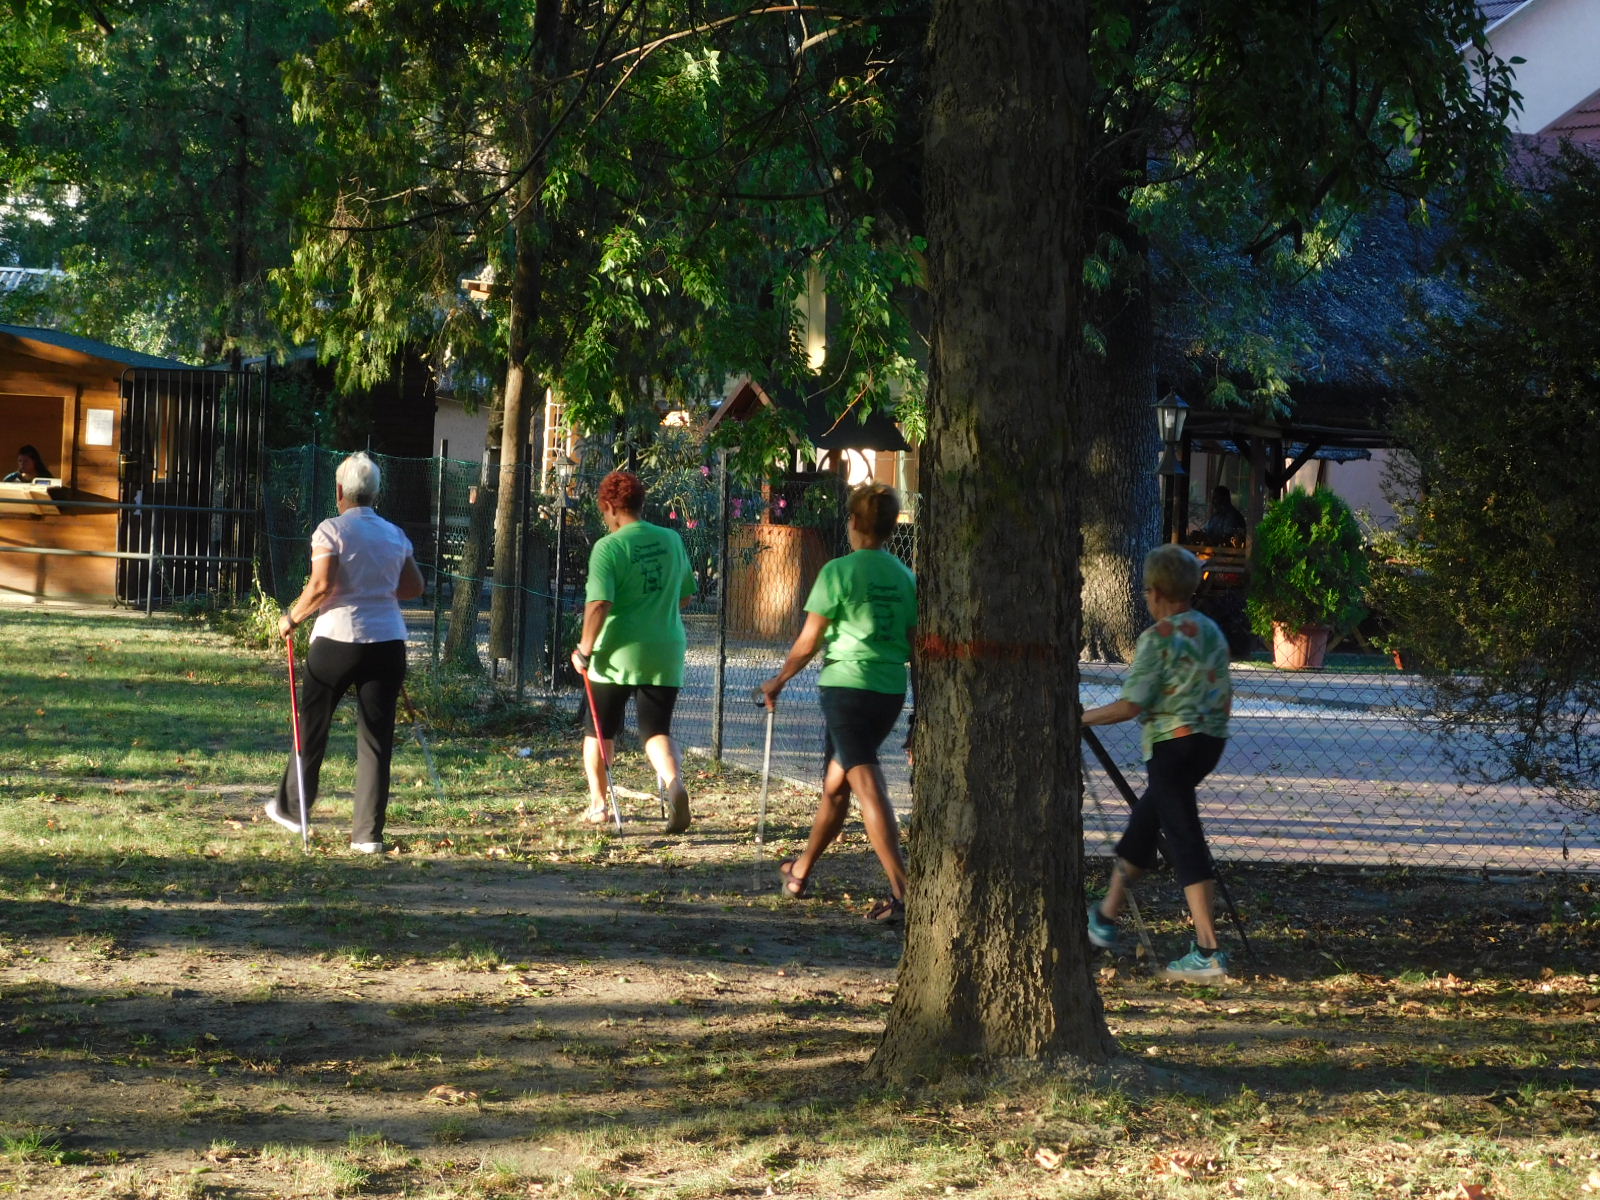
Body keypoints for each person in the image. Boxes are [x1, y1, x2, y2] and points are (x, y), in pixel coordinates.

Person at [759, 482, 916, 924]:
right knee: (835, 786)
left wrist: (779, 681)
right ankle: (800, 873)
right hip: (888, 692)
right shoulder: (905, 577)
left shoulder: (838, 572)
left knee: (868, 787)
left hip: (846, 691)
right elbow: (914, 643)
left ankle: (905, 894)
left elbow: (809, 640)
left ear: (854, 522)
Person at [1081, 543, 1233, 980]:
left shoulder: (1157, 638)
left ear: (1158, 593)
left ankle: (1208, 951)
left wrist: (1079, 718)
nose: (1146, 597)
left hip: (1171, 747)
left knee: (1185, 839)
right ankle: (1104, 918)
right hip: (1208, 745)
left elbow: (1130, 705)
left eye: (1147, 590)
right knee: (1146, 822)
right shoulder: (1210, 630)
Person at [265, 452, 424, 853]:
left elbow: (321, 586)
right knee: (376, 739)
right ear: (376, 492)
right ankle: (368, 835)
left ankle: (292, 808)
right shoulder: (394, 534)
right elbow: (413, 587)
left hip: (337, 641)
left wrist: (291, 618)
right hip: (387, 642)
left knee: (312, 727)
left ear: (340, 490)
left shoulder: (330, 530)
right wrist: (377, 588)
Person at [570, 470, 697, 833]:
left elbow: (599, 604)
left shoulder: (608, 547)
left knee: (599, 731)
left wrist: (584, 649)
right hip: (665, 649)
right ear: (640, 503)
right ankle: (674, 784)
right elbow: (685, 595)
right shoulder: (671, 539)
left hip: (615, 655)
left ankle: (599, 805)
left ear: (609, 507)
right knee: (656, 731)